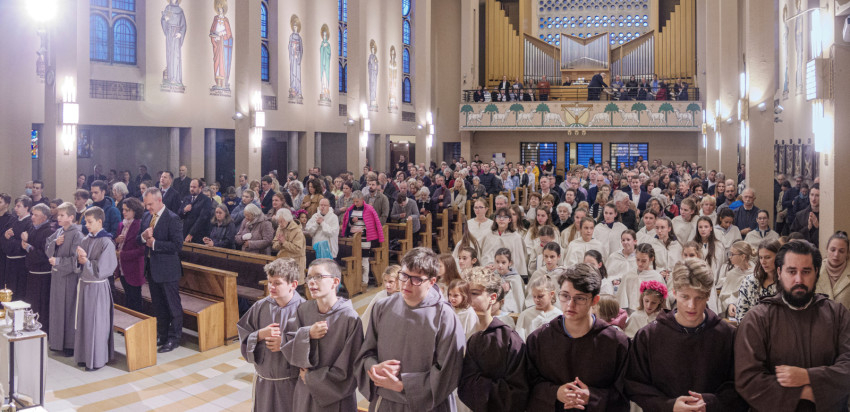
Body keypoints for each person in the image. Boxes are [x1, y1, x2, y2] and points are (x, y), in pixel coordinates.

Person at [735, 240, 850, 410]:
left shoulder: (837, 314)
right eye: (791, 271)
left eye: (806, 271)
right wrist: (806, 393)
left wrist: (807, 376)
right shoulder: (758, 318)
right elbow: (748, 379)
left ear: (816, 272)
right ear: (779, 272)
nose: (799, 279)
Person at [626, 258, 747, 411]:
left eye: (699, 297)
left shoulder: (727, 335)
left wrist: (711, 402)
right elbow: (635, 384)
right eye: (685, 296)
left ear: (708, 295)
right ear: (674, 293)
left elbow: (741, 383)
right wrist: (669, 406)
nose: (691, 305)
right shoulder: (648, 336)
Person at [355, 248, 465, 412]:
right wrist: (373, 367)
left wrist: (403, 385)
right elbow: (366, 353)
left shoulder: (445, 316)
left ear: (432, 281)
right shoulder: (382, 307)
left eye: (416, 279)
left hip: (426, 405)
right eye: (404, 275)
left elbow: (449, 370)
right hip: (385, 400)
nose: (406, 283)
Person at [526, 264, 630, 411]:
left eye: (580, 298)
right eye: (565, 296)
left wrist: (592, 397)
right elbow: (528, 385)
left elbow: (624, 392)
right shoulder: (538, 339)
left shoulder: (616, 343)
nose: (570, 304)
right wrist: (555, 392)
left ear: (595, 300)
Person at [280, 259, 363, 411]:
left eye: (318, 276)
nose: (311, 282)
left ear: (335, 282)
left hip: (334, 398)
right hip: (304, 392)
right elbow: (287, 343)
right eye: (309, 277)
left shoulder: (350, 318)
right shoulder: (303, 310)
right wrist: (307, 334)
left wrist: (311, 378)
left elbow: (350, 369)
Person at [237, 258, 306, 411]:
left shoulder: (304, 309)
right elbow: (244, 333)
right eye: (269, 282)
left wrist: (285, 343)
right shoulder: (260, 306)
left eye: (277, 283)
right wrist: (259, 335)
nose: (271, 287)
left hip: (291, 383)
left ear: (293, 285)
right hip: (264, 381)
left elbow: (312, 347)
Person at [457, 266, 529, 412]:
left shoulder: (508, 339)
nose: (468, 299)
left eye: (474, 293)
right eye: (466, 293)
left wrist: (477, 386)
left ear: (493, 298)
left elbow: (518, 389)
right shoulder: (461, 330)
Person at [139, 188, 184, 353]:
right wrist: (143, 236)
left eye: (150, 204)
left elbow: (177, 245)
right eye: (146, 205)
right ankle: (162, 334)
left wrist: (155, 244)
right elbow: (139, 239)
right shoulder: (147, 217)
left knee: (173, 306)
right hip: (152, 268)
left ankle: (174, 338)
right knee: (158, 305)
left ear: (159, 200)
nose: (148, 208)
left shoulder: (172, 218)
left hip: (168, 269)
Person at [74, 207, 118, 371]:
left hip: (98, 288)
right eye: (85, 222)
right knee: (84, 322)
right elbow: (78, 264)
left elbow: (102, 270)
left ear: (100, 221)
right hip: (85, 285)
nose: (87, 225)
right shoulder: (85, 239)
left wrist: (85, 262)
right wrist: (79, 259)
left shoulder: (106, 242)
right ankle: (83, 356)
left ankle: (96, 359)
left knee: (96, 323)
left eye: (90, 222)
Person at [46, 202, 85, 357]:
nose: (58, 218)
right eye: (58, 215)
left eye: (62, 215)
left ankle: (69, 344)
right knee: (57, 309)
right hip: (57, 277)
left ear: (71, 217)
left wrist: (58, 261)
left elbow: (76, 261)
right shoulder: (59, 231)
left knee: (69, 310)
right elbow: (47, 246)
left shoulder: (77, 235)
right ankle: (57, 342)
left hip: (69, 278)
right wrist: (55, 244)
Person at [735, 239, 780, 321]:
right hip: (751, 327)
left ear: (778, 257)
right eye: (761, 258)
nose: (763, 262)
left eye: (768, 257)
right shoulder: (749, 281)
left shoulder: (785, 283)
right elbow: (740, 314)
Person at [115, 197, 146, 313]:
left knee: (135, 298)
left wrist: (122, 255)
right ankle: (129, 321)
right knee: (128, 296)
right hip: (122, 266)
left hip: (134, 267)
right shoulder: (121, 225)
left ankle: (137, 321)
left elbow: (142, 250)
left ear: (135, 211)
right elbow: (117, 244)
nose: (124, 212)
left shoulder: (139, 225)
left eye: (127, 210)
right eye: (123, 209)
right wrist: (116, 240)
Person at [480, 208, 529, 279]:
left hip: (509, 276)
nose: (501, 219)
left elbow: (518, 261)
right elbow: (484, 255)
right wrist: (490, 265)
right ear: (495, 219)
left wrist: (501, 267)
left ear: (510, 220)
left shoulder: (516, 238)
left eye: (505, 217)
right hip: (489, 274)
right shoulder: (488, 236)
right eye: (499, 217)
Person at [2, 196, 33, 297]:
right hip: (9, 261)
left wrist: (11, 241)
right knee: (9, 290)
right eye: (15, 206)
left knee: (19, 292)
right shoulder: (13, 221)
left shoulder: (29, 222)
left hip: (20, 263)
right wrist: (6, 236)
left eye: (18, 206)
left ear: (26, 207)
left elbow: (24, 244)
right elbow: (5, 241)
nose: (15, 208)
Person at [717, 241, 754, 318]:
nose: (730, 257)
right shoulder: (731, 274)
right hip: (733, 315)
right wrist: (730, 304)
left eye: (732, 254)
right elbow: (724, 295)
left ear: (743, 256)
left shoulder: (755, 274)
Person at [360, 265, 401, 334]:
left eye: (391, 282)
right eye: (385, 281)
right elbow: (367, 317)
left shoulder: (404, 298)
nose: (387, 285)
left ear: (399, 281)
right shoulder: (380, 296)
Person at [817, 231, 850, 310]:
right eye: (832, 250)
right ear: (827, 249)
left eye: (841, 251)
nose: (836, 255)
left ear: (847, 253)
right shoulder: (815, 270)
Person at [179, 179, 213, 244]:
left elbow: (202, 219)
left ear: (200, 188)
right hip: (185, 232)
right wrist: (184, 210)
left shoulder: (206, 200)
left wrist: (191, 234)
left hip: (199, 235)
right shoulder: (186, 198)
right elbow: (179, 214)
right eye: (191, 187)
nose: (192, 189)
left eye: (194, 187)